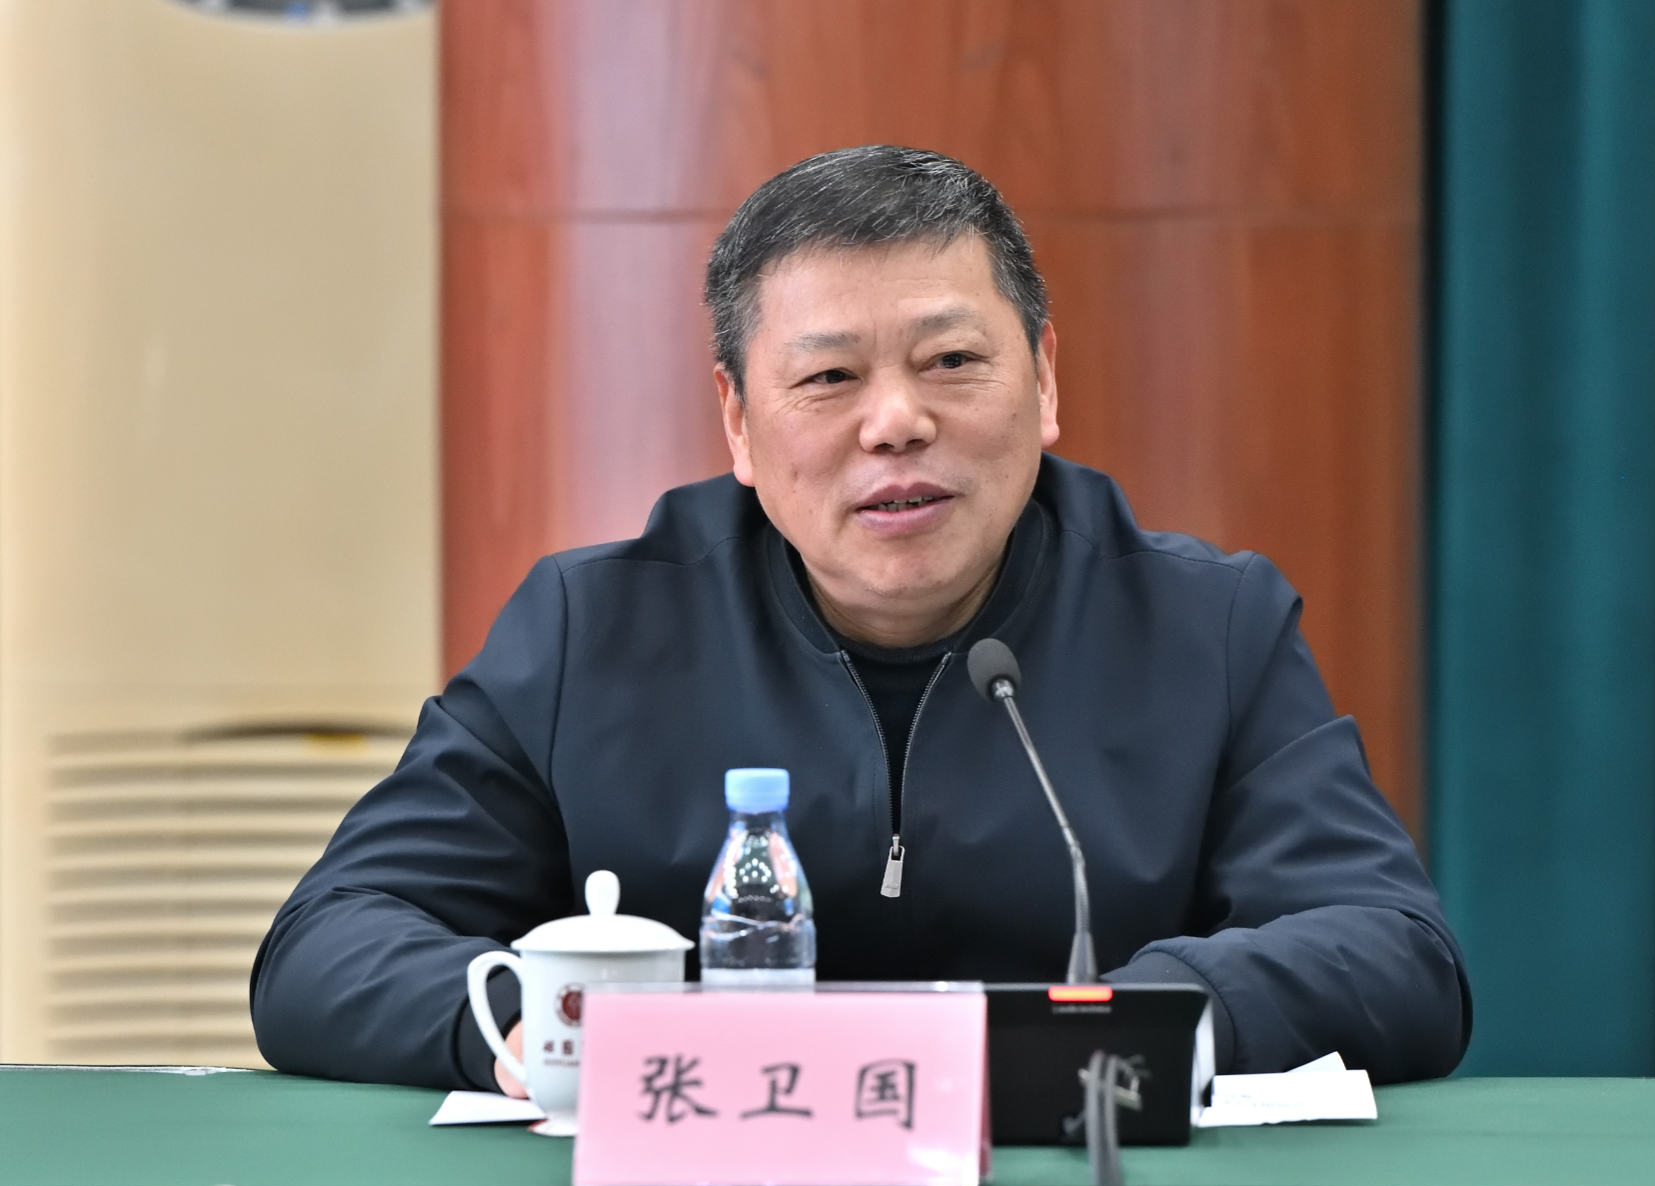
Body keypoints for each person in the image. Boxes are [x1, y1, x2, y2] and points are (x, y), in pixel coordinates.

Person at [251, 146, 1470, 1094]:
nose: (896, 423)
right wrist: (537, 1022)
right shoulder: (593, 629)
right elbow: (326, 943)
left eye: (951, 362)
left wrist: (1122, 1028)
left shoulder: (1207, 625)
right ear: (739, 421)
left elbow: (1394, 949)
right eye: (829, 378)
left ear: (1045, 378)